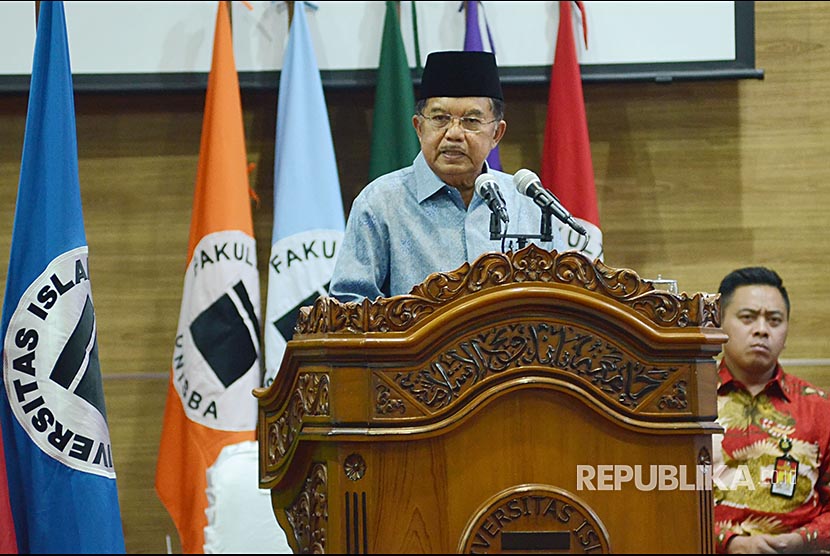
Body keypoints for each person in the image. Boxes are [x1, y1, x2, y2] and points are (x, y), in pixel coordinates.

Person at [328, 50, 566, 302]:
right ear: (419, 128)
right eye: (440, 119)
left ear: (497, 134)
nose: (453, 133)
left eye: (471, 121)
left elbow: (563, 297)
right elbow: (348, 305)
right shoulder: (381, 203)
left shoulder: (527, 204)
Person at [713, 266, 830, 554]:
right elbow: (663, 500)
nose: (762, 329)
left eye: (774, 320)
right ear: (719, 324)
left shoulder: (819, 408)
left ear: (786, 332)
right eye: (748, 318)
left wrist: (801, 541)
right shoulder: (684, 403)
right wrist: (728, 543)